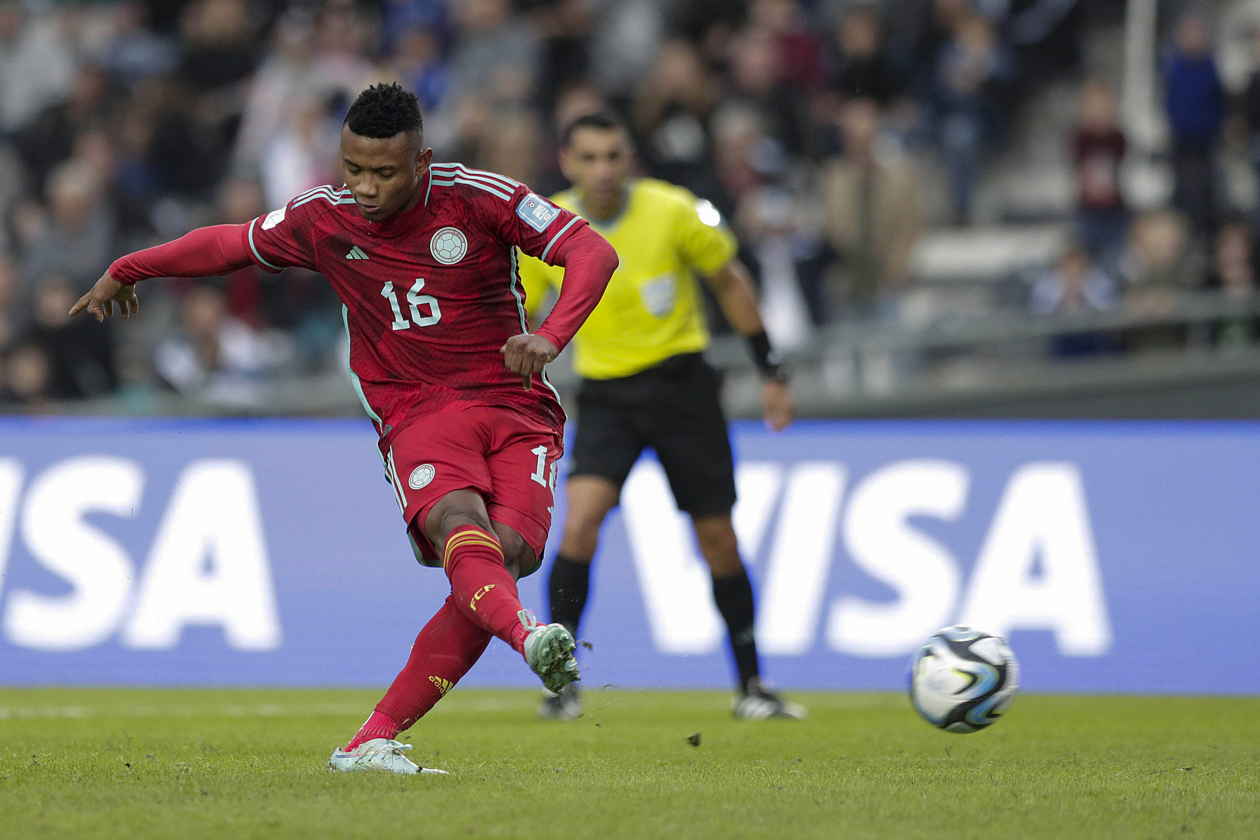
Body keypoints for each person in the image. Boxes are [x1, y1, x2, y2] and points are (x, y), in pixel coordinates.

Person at [70, 82, 619, 775]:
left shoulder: (479, 197)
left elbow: (593, 253)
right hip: (417, 410)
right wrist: (129, 267)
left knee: (502, 559)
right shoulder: (321, 218)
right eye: (352, 168)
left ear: (421, 161)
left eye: (383, 172)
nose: (363, 187)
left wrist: (553, 334)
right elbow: (227, 246)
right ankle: (527, 636)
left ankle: (370, 741)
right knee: (459, 523)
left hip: (516, 406)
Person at [518, 111, 803, 721]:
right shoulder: (546, 229)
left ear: (630, 160)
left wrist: (771, 371)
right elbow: (515, 311)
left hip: (682, 391)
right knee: (578, 526)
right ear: (566, 162)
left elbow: (729, 282)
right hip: (607, 398)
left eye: (612, 156)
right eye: (588, 158)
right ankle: (560, 685)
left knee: (718, 540)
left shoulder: (673, 210)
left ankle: (752, 687)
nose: (602, 169)